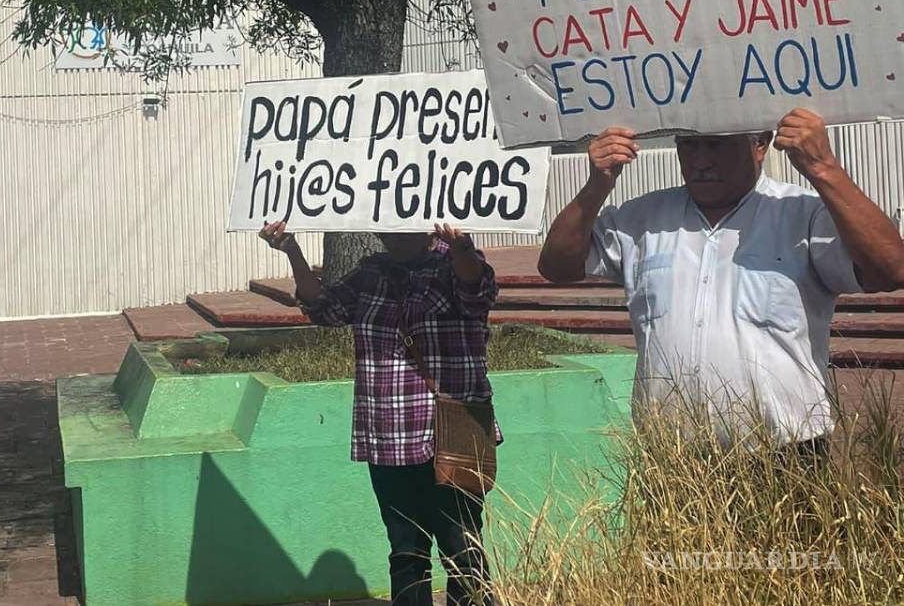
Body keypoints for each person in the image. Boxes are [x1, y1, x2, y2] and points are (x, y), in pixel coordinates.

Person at [538, 107, 904, 449]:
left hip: (783, 458)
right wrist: (596, 185)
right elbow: (557, 266)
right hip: (672, 463)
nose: (701, 162)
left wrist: (825, 168)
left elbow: (890, 269)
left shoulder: (802, 215)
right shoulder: (643, 220)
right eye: (688, 146)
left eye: (717, 145)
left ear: (760, 144)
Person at [260, 221, 497, 606]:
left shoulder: (454, 265)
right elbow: (324, 308)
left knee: (462, 547)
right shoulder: (371, 273)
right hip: (388, 435)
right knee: (406, 551)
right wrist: (292, 250)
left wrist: (462, 249)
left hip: (452, 434)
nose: (388, 234)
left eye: (397, 227)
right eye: (383, 228)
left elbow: (476, 291)